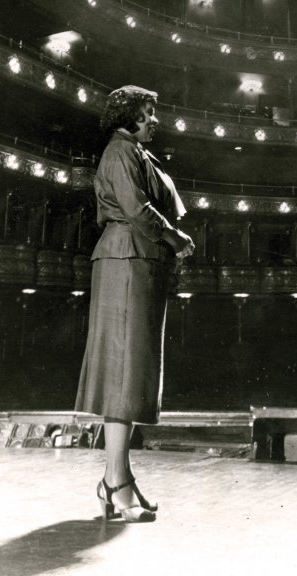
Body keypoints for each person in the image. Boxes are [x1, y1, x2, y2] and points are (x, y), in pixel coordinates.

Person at [76, 85, 195, 522]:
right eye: (148, 113)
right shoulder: (120, 152)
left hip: (136, 261)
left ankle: (118, 480)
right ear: (128, 117)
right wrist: (175, 237)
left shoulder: (134, 152)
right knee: (125, 375)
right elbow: (138, 208)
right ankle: (115, 482)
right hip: (127, 258)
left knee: (131, 374)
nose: (154, 120)